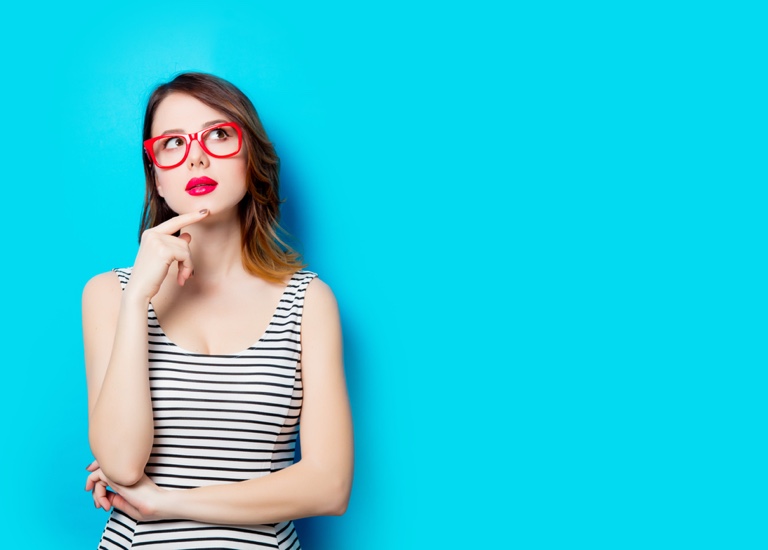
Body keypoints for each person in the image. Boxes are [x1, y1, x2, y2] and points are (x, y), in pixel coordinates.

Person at [82, 72, 353, 549]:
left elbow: (329, 486)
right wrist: (137, 300)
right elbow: (122, 464)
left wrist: (166, 502)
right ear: (157, 176)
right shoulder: (111, 294)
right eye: (173, 143)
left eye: (220, 134)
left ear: (251, 158)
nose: (198, 157)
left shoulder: (308, 302)